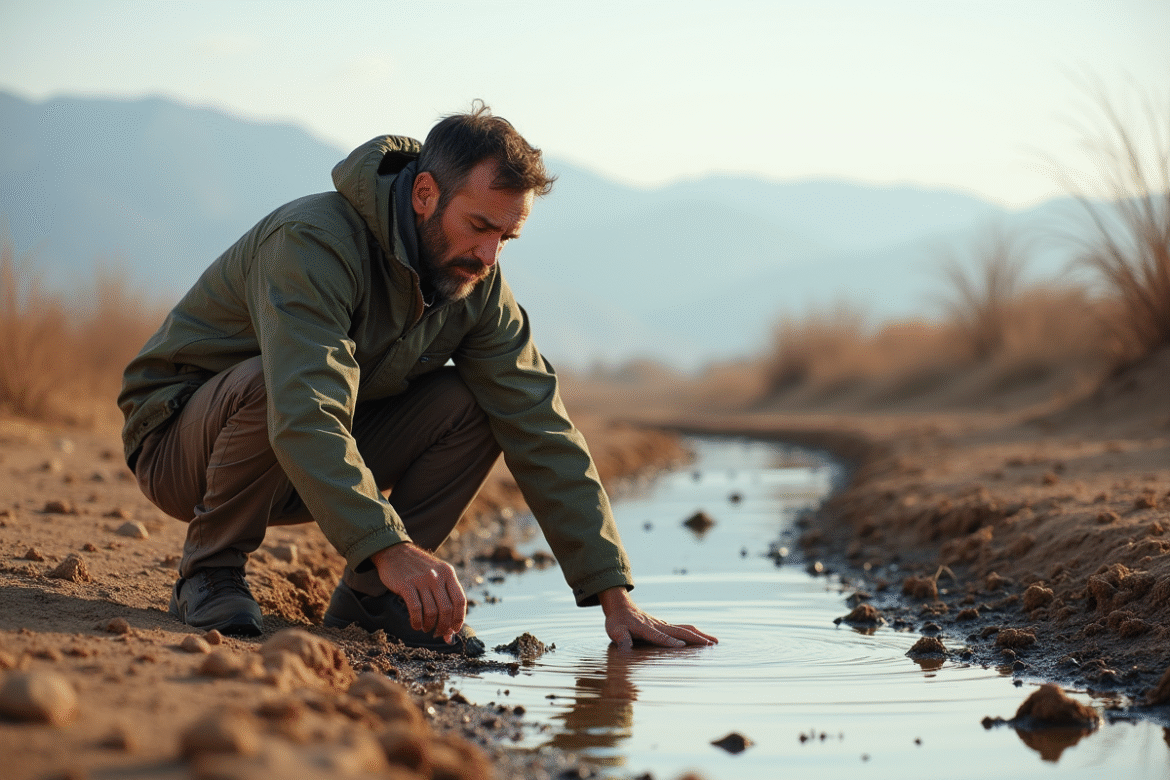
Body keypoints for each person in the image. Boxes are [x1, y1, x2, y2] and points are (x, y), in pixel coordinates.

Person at [118, 103, 717, 656]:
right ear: (425, 194)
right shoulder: (312, 241)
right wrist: (390, 546)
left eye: (505, 237)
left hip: (302, 463)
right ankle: (210, 572)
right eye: (479, 225)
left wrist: (614, 595)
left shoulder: (477, 286)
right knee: (270, 381)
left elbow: (541, 426)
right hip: (185, 450)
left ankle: (375, 602)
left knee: (478, 401)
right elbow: (306, 407)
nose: (489, 255)